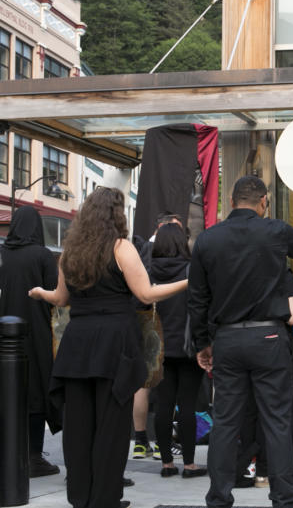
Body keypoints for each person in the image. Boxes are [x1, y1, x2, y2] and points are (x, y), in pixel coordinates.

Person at [29, 187, 187, 508]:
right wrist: (188, 281)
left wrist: (39, 293)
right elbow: (145, 294)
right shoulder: (121, 248)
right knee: (111, 428)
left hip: (77, 345)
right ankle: (105, 499)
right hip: (115, 343)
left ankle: (81, 498)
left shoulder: (71, 251)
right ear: (116, 214)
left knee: (79, 428)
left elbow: (60, 299)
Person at [188, 176, 293, 508]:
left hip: (227, 338)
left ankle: (219, 497)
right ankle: (284, 498)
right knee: (276, 421)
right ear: (264, 201)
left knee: (225, 421)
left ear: (232, 200)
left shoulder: (208, 240)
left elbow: (197, 300)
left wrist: (201, 344)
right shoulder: (276, 231)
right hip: (269, 336)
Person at [0, 206, 60, 477]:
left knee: (9, 392)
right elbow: (56, 296)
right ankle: (34, 456)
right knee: (36, 392)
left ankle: (11, 454)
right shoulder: (42, 255)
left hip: (5, 334)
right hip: (36, 333)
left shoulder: (3, 255)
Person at [150, 223, 206, 478]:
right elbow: (198, 306)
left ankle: (166, 463)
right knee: (187, 405)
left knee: (163, 405)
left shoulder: (148, 271)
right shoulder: (190, 270)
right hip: (187, 347)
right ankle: (190, 464)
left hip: (159, 349)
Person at [133, 211, 185, 461]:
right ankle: (159, 444)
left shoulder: (141, 252)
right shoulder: (183, 262)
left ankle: (144, 442)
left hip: (148, 325)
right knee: (168, 393)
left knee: (148, 386)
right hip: (169, 329)